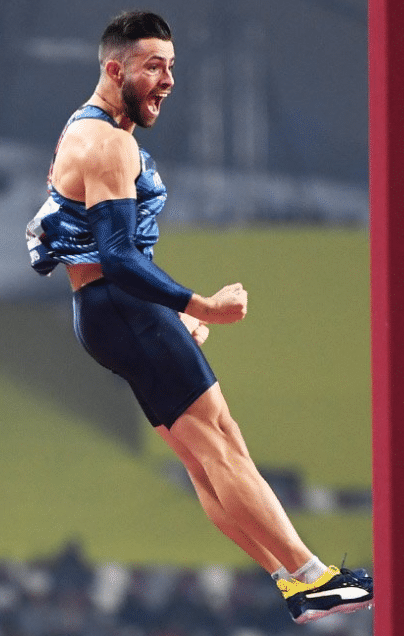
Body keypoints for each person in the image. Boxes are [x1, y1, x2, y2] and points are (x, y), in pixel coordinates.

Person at [24, 10, 372, 625]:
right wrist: (199, 305)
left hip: (109, 313)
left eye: (172, 66)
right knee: (220, 448)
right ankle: (310, 575)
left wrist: (165, 315)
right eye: (154, 65)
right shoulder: (107, 142)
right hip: (121, 307)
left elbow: (92, 249)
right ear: (115, 68)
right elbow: (120, 257)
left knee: (206, 454)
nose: (168, 80)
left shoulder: (87, 132)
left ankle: (292, 581)